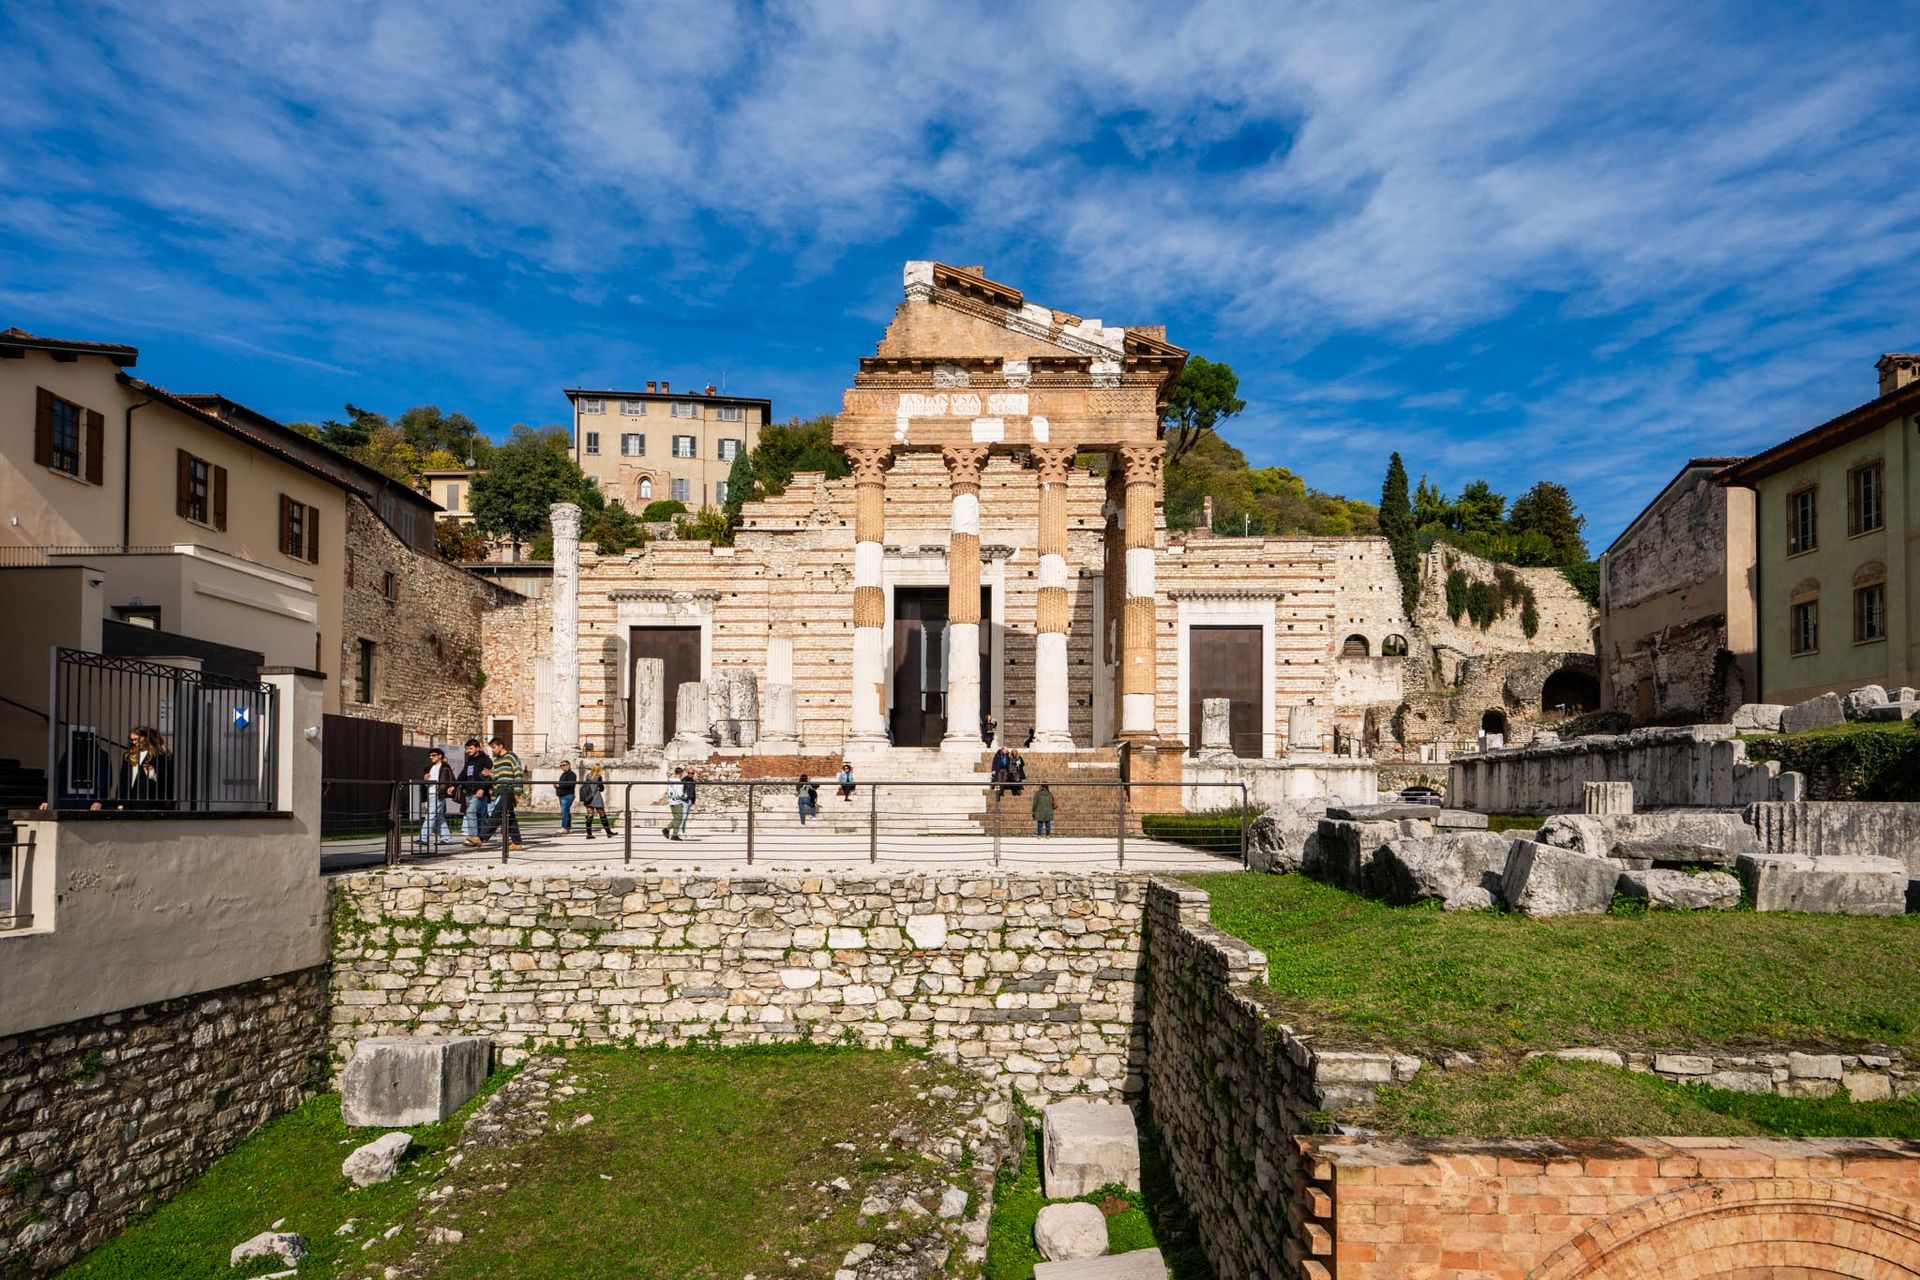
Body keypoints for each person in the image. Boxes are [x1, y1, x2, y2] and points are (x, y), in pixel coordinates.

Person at [482, 735, 525, 851]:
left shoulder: (511, 756)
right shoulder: (496, 760)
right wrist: (486, 774)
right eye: (491, 748)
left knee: (497, 813)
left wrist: (517, 792)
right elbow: (496, 776)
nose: (493, 750)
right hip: (500, 790)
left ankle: (482, 837)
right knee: (509, 817)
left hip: (509, 790)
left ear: (501, 746)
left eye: (494, 747)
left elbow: (518, 773)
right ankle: (517, 842)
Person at [120, 726, 174, 810]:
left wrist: (153, 775)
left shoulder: (162, 757)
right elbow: (122, 781)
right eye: (131, 740)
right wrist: (120, 802)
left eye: (136, 739)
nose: (134, 742)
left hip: (150, 803)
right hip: (129, 802)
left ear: (147, 738)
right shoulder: (129, 756)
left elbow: (168, 782)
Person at [457, 738, 491, 846]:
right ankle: (479, 838)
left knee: (472, 813)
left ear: (477, 748)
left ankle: (473, 837)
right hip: (469, 792)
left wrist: (482, 788)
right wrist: (454, 785)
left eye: (470, 748)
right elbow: (463, 775)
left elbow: (488, 776)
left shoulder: (486, 759)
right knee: (478, 816)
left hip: (480, 792)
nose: (468, 751)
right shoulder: (469, 760)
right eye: (467, 749)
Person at [420, 748, 454, 849]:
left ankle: (423, 838)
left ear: (440, 756)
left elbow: (452, 779)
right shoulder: (428, 768)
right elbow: (426, 783)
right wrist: (425, 779)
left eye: (433, 755)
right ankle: (446, 838)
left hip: (439, 794)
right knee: (439, 816)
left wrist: (452, 786)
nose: (431, 757)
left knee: (431, 815)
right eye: (430, 756)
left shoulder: (445, 767)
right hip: (429, 793)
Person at [579, 765, 615, 839]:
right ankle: (609, 832)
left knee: (589, 814)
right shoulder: (599, 777)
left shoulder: (587, 776)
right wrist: (601, 787)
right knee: (602, 813)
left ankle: (589, 834)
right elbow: (601, 788)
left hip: (588, 796)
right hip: (596, 796)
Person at [664, 769, 690, 840]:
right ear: (681, 773)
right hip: (677, 802)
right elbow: (679, 794)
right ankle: (671, 832)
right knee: (679, 818)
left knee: (676, 818)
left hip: (671, 801)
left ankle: (670, 832)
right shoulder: (679, 782)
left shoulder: (670, 781)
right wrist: (685, 795)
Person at [555, 759, 577, 833]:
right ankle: (568, 828)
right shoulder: (563, 774)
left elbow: (571, 784)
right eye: (561, 765)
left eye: (564, 765)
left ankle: (564, 827)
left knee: (564, 811)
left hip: (568, 795)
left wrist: (559, 785)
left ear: (569, 765)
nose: (562, 767)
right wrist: (557, 786)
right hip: (562, 795)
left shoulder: (572, 774)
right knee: (567, 811)